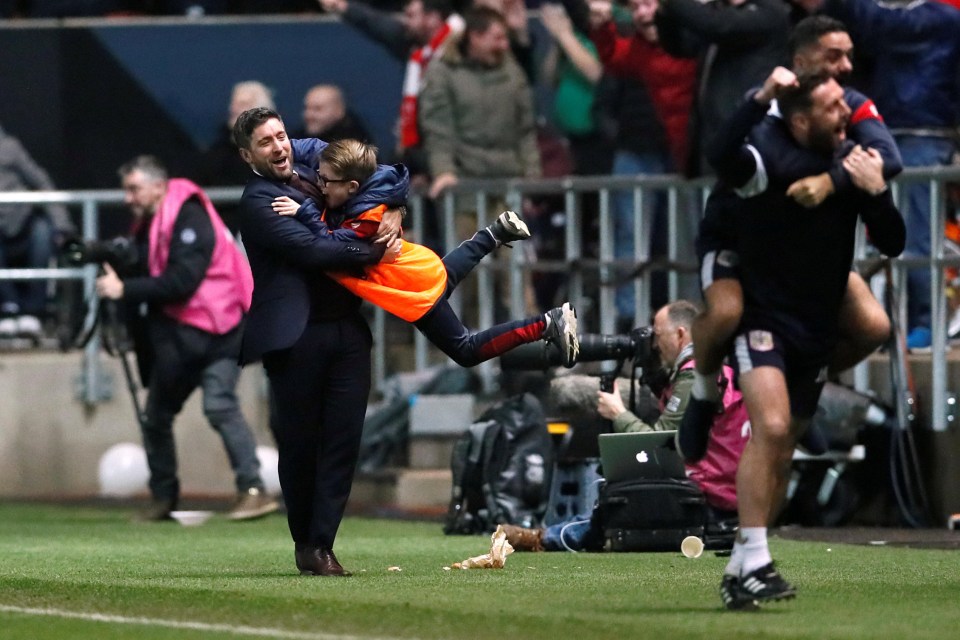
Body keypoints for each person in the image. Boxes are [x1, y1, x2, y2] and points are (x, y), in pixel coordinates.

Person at [705, 68, 904, 609]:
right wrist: (757, 97)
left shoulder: (853, 160)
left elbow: (893, 240)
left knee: (784, 440)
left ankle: (744, 564)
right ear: (799, 118)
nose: (848, 112)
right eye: (834, 106)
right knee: (768, 426)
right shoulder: (768, 154)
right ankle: (754, 555)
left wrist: (875, 192)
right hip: (764, 313)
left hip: (815, 325)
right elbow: (720, 154)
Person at [678, 15, 904, 462]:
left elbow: (889, 158)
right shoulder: (763, 105)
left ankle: (796, 391)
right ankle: (703, 395)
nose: (844, 67)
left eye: (849, 57)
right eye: (832, 55)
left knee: (874, 327)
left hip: (801, 253)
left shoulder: (847, 103)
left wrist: (831, 181)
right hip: (739, 238)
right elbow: (721, 152)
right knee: (725, 312)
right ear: (800, 62)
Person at [231, 106, 405, 577]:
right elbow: (314, 251)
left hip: (347, 328)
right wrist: (371, 251)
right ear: (248, 155)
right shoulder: (258, 199)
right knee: (301, 444)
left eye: (281, 135)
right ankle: (304, 541)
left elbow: (379, 169)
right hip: (297, 336)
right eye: (266, 142)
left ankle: (322, 544)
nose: (279, 146)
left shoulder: (312, 160)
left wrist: (393, 207)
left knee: (344, 441)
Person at [271, 138, 581, 367]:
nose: (320, 185)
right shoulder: (365, 185)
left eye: (326, 181)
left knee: (467, 351)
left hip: (411, 288)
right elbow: (314, 148)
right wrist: (283, 149)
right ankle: (495, 233)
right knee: (447, 275)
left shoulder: (368, 219)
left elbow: (329, 245)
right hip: (417, 267)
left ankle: (547, 323)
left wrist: (304, 211)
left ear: (353, 186)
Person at [94, 155, 279, 523]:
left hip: (216, 332)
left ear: (158, 185)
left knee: (211, 407)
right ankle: (166, 498)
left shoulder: (189, 216)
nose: (128, 198)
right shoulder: (156, 220)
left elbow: (182, 281)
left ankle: (253, 491)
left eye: (134, 188)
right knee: (162, 416)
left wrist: (123, 289)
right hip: (197, 333)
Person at [502, 299, 749, 552]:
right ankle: (551, 535)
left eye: (658, 335)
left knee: (629, 496)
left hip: (710, 498)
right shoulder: (708, 370)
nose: (653, 344)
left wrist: (618, 413)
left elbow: (660, 444)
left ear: (680, 334)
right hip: (723, 492)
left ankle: (547, 538)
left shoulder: (694, 374)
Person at [823, 0, 960, 351]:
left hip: (923, 133)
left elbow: (879, 25)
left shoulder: (937, 17)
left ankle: (927, 322)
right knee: (885, 241)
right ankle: (897, 323)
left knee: (918, 239)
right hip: (887, 130)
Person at [419, 5, 541, 201]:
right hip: (463, 187)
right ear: (475, 37)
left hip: (510, 186)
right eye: (497, 38)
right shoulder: (443, 73)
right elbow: (438, 130)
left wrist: (532, 176)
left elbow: (526, 129)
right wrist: (443, 172)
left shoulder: (513, 72)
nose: (504, 46)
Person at [0, 124, 76, 340]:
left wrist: (62, 224)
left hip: (23, 223)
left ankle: (34, 310)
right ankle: (9, 306)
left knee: (43, 234)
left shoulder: (9, 147)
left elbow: (41, 182)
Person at [292, 84, 372, 145]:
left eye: (318, 109)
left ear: (339, 111)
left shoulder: (357, 147)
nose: (309, 115)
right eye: (307, 108)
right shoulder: (296, 141)